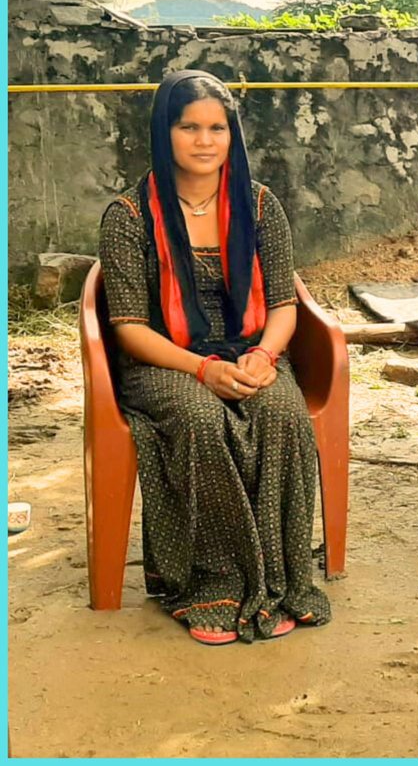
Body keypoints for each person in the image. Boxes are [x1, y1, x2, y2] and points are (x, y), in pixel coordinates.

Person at [97, 70, 331, 645]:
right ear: (163, 132)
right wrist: (200, 368)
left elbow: (283, 303)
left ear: (233, 135)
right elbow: (128, 327)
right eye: (189, 127)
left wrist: (264, 357)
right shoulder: (129, 216)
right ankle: (212, 583)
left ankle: (278, 577)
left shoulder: (258, 204)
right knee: (201, 419)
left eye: (217, 128)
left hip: (250, 349)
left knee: (279, 411)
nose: (205, 141)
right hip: (163, 363)